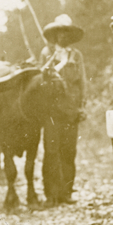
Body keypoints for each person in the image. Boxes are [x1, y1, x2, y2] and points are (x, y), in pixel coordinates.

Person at [40, 15, 87, 207]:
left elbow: (82, 82)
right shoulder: (47, 53)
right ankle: (51, 195)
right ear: (54, 35)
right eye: (59, 33)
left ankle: (66, 192)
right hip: (52, 111)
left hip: (71, 110)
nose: (63, 36)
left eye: (66, 32)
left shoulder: (76, 56)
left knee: (69, 152)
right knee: (52, 151)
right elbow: (42, 79)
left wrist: (81, 106)